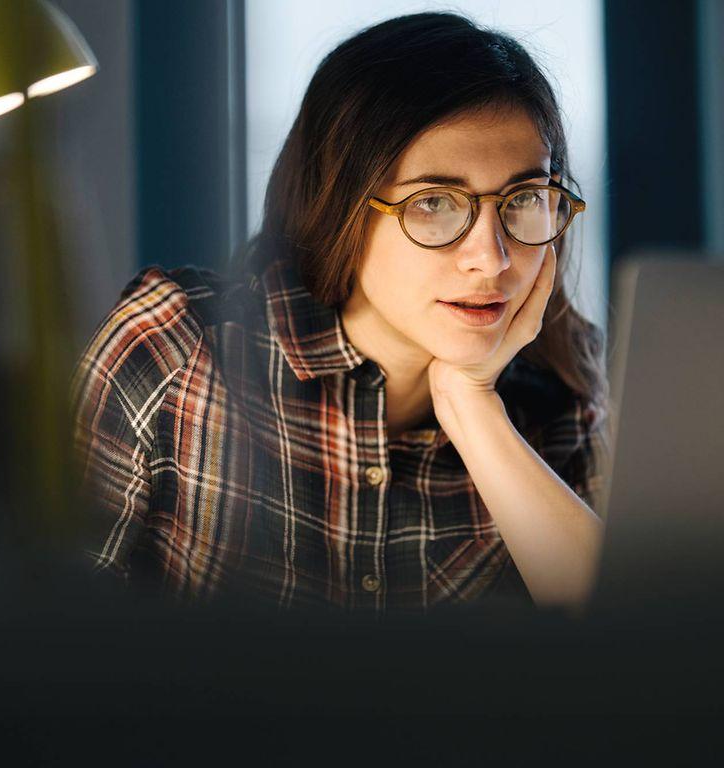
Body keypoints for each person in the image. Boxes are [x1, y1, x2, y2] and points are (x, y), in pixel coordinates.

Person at [69, 11, 609, 616]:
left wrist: (473, 405)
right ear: (341, 206)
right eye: (433, 203)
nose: (491, 258)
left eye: (524, 198)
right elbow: (44, 647)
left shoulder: (563, 400)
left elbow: (640, 672)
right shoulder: (177, 350)